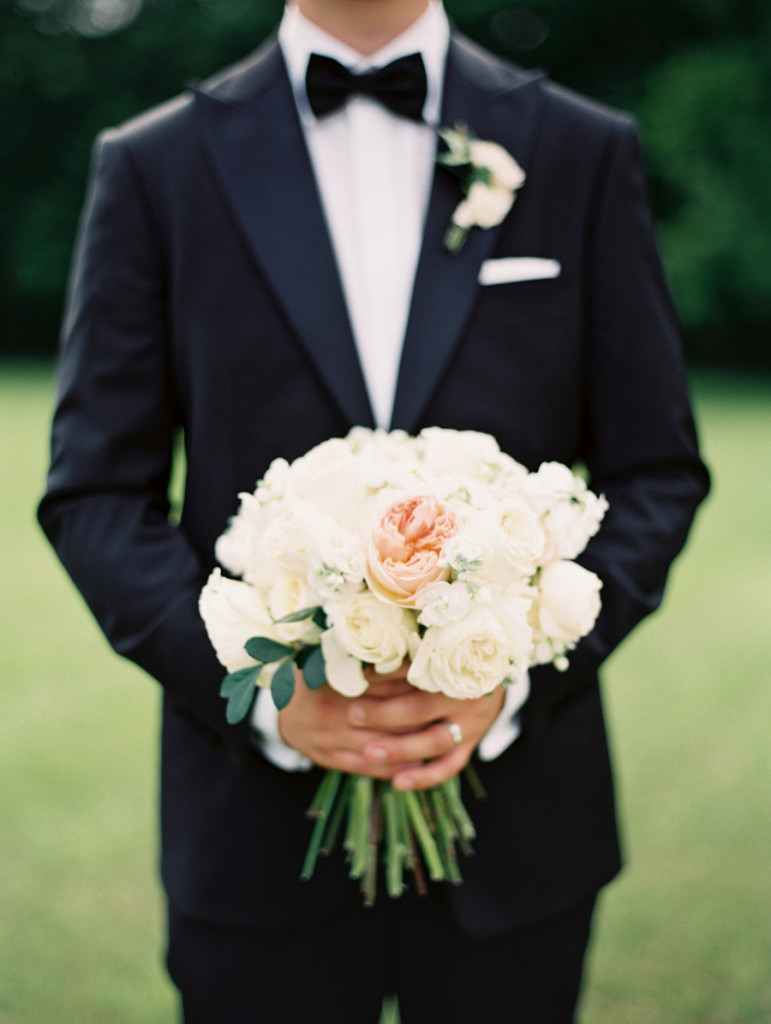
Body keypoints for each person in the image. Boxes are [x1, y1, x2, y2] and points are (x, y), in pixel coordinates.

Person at [39, 0, 710, 1020]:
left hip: (522, 838)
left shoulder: (580, 150)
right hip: (252, 844)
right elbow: (94, 490)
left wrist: (508, 677)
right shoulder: (154, 165)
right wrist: (264, 697)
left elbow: (656, 468)